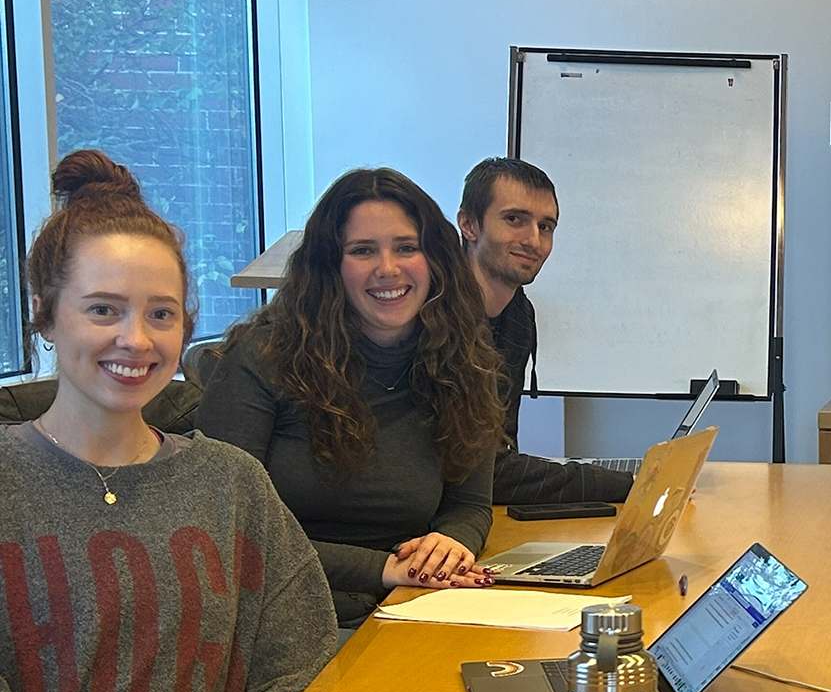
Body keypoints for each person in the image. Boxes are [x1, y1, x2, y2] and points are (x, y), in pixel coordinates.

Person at [0, 151, 337, 692]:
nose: (135, 340)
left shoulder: (229, 482)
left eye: (160, 315)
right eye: (103, 310)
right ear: (46, 316)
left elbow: (300, 667)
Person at [198, 168, 505, 627]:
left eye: (407, 247)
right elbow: (225, 528)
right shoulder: (263, 360)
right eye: (363, 250)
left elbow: (469, 503)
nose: (388, 268)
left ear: (436, 260)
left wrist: (451, 542)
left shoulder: (465, 361)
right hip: (285, 618)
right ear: (331, 266)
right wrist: (384, 570)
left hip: (409, 606)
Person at [458, 157, 634, 507]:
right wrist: (628, 485)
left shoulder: (519, 315)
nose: (533, 241)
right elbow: (476, 471)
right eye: (514, 220)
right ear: (469, 224)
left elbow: (502, 445)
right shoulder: (432, 319)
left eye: (545, 227)